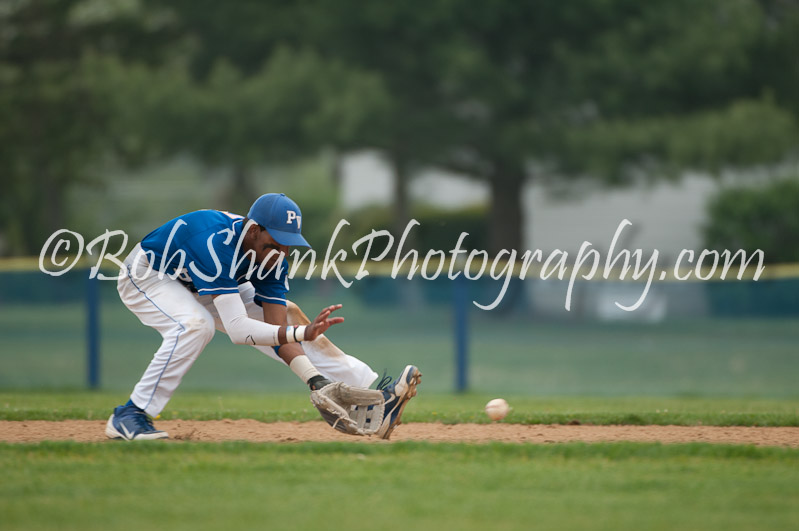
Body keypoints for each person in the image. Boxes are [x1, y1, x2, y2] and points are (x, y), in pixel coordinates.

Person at [106, 193, 421, 441]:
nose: (281, 253)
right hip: (151, 275)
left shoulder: (274, 257)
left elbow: (275, 330)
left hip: (206, 282)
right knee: (195, 325)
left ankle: (373, 399)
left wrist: (314, 380)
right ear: (254, 231)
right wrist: (301, 334)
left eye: (288, 245)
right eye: (275, 243)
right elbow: (240, 331)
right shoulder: (216, 244)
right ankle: (130, 414)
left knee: (288, 318)